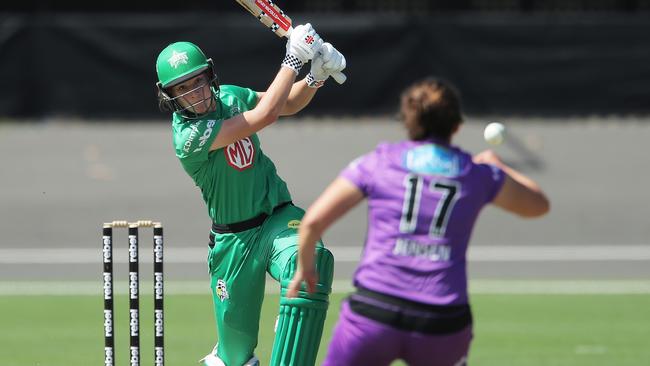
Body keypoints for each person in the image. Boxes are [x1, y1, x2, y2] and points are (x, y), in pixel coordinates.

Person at [287, 78, 550, 366]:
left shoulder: (380, 162)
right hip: (442, 323)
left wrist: (306, 267)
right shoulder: (477, 174)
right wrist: (499, 166)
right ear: (456, 126)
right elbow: (538, 206)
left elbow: (312, 223)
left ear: (408, 122)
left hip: (374, 314)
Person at [154, 23, 346, 366]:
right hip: (234, 244)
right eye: (183, 88)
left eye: (198, 80)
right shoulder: (188, 137)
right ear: (169, 96)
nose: (195, 93)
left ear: (209, 76)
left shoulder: (229, 96)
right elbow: (265, 115)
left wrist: (316, 75)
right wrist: (292, 59)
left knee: (310, 265)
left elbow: (285, 103)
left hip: (276, 218)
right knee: (236, 358)